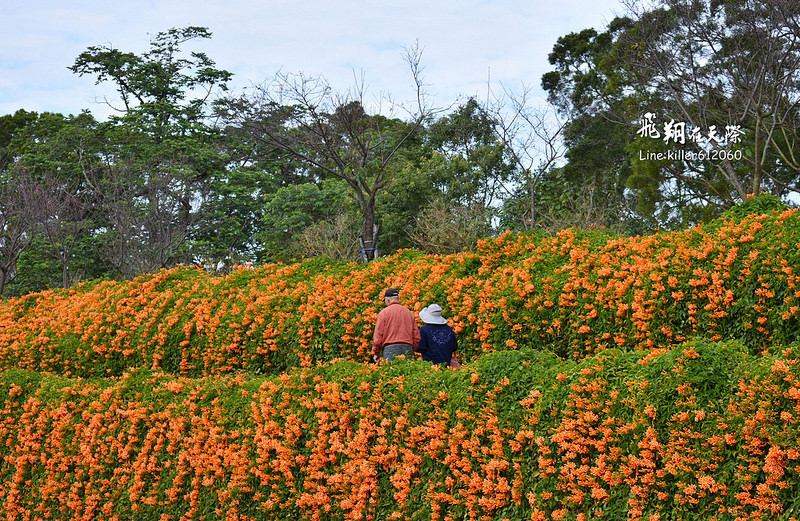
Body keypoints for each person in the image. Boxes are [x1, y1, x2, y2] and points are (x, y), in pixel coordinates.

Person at [372, 287, 420, 362]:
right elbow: (416, 336)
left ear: (387, 299)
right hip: (407, 347)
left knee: (392, 371)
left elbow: (378, 336)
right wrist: (411, 349)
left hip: (390, 348)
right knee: (407, 372)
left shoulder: (384, 313)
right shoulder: (409, 313)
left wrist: (376, 352)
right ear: (398, 298)